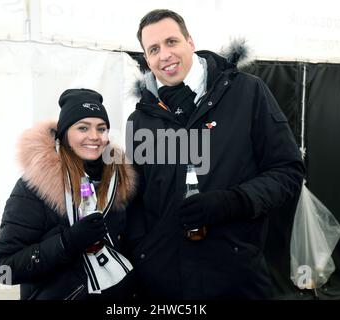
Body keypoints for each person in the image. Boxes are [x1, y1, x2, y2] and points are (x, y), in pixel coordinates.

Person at [124, 9, 305, 299]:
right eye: (154, 49)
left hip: (234, 276)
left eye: (172, 42)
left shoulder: (247, 93)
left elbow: (288, 171)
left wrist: (235, 201)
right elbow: (135, 197)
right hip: (164, 281)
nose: (165, 55)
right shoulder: (141, 119)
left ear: (190, 42)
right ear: (147, 60)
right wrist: (144, 251)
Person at [0, 88, 137, 300]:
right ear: (65, 133)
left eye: (101, 128)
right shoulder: (35, 186)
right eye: (83, 128)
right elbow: (3, 269)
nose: (94, 137)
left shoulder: (118, 181)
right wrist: (66, 243)